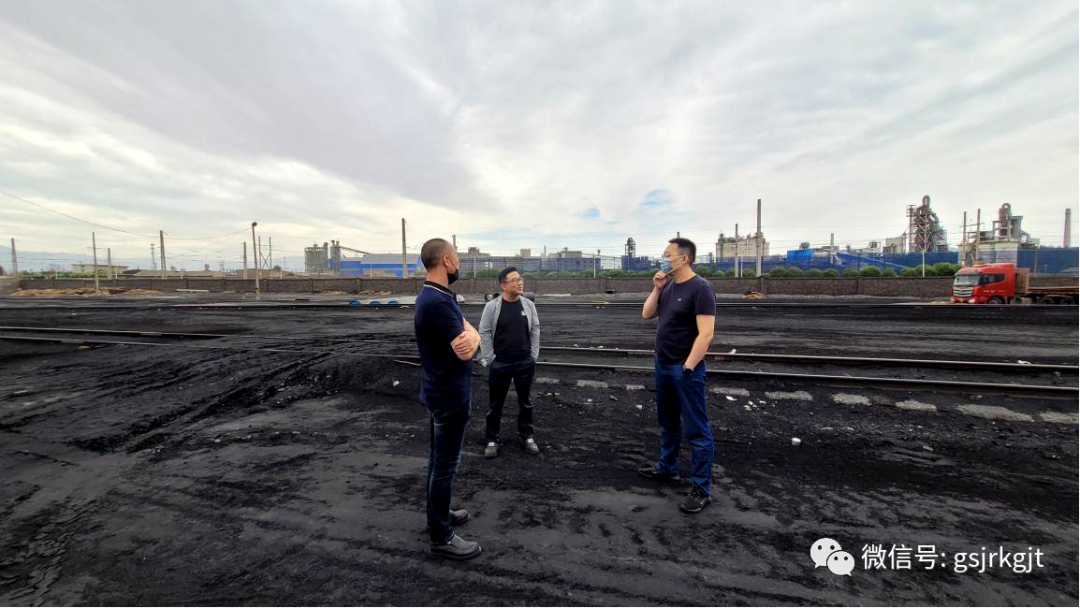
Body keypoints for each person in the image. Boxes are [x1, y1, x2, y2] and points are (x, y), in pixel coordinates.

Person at [414, 237, 482, 559]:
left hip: (439, 391)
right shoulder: (438, 302)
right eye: (457, 258)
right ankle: (441, 537)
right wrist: (477, 335)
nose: (459, 264)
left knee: (437, 461)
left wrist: (471, 332)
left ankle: (437, 517)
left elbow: (465, 327)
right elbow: (465, 349)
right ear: (446, 261)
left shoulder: (437, 295)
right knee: (444, 466)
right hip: (449, 396)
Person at [639, 237, 717, 514]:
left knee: (696, 429)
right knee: (668, 422)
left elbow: (706, 333)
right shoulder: (668, 286)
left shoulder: (701, 288)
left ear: (684, 258)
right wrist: (657, 288)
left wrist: (688, 366)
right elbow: (647, 314)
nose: (663, 258)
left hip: (685, 370)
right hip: (663, 365)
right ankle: (668, 467)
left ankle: (701, 489)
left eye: (667, 254)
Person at [478, 267, 541, 458]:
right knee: (495, 405)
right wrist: (491, 359)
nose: (520, 283)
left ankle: (527, 436)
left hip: (524, 363)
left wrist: (533, 356)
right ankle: (492, 439)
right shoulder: (492, 307)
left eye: (520, 279)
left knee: (526, 403)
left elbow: (535, 329)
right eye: (514, 280)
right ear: (503, 285)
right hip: (501, 364)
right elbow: (484, 332)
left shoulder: (528, 305)